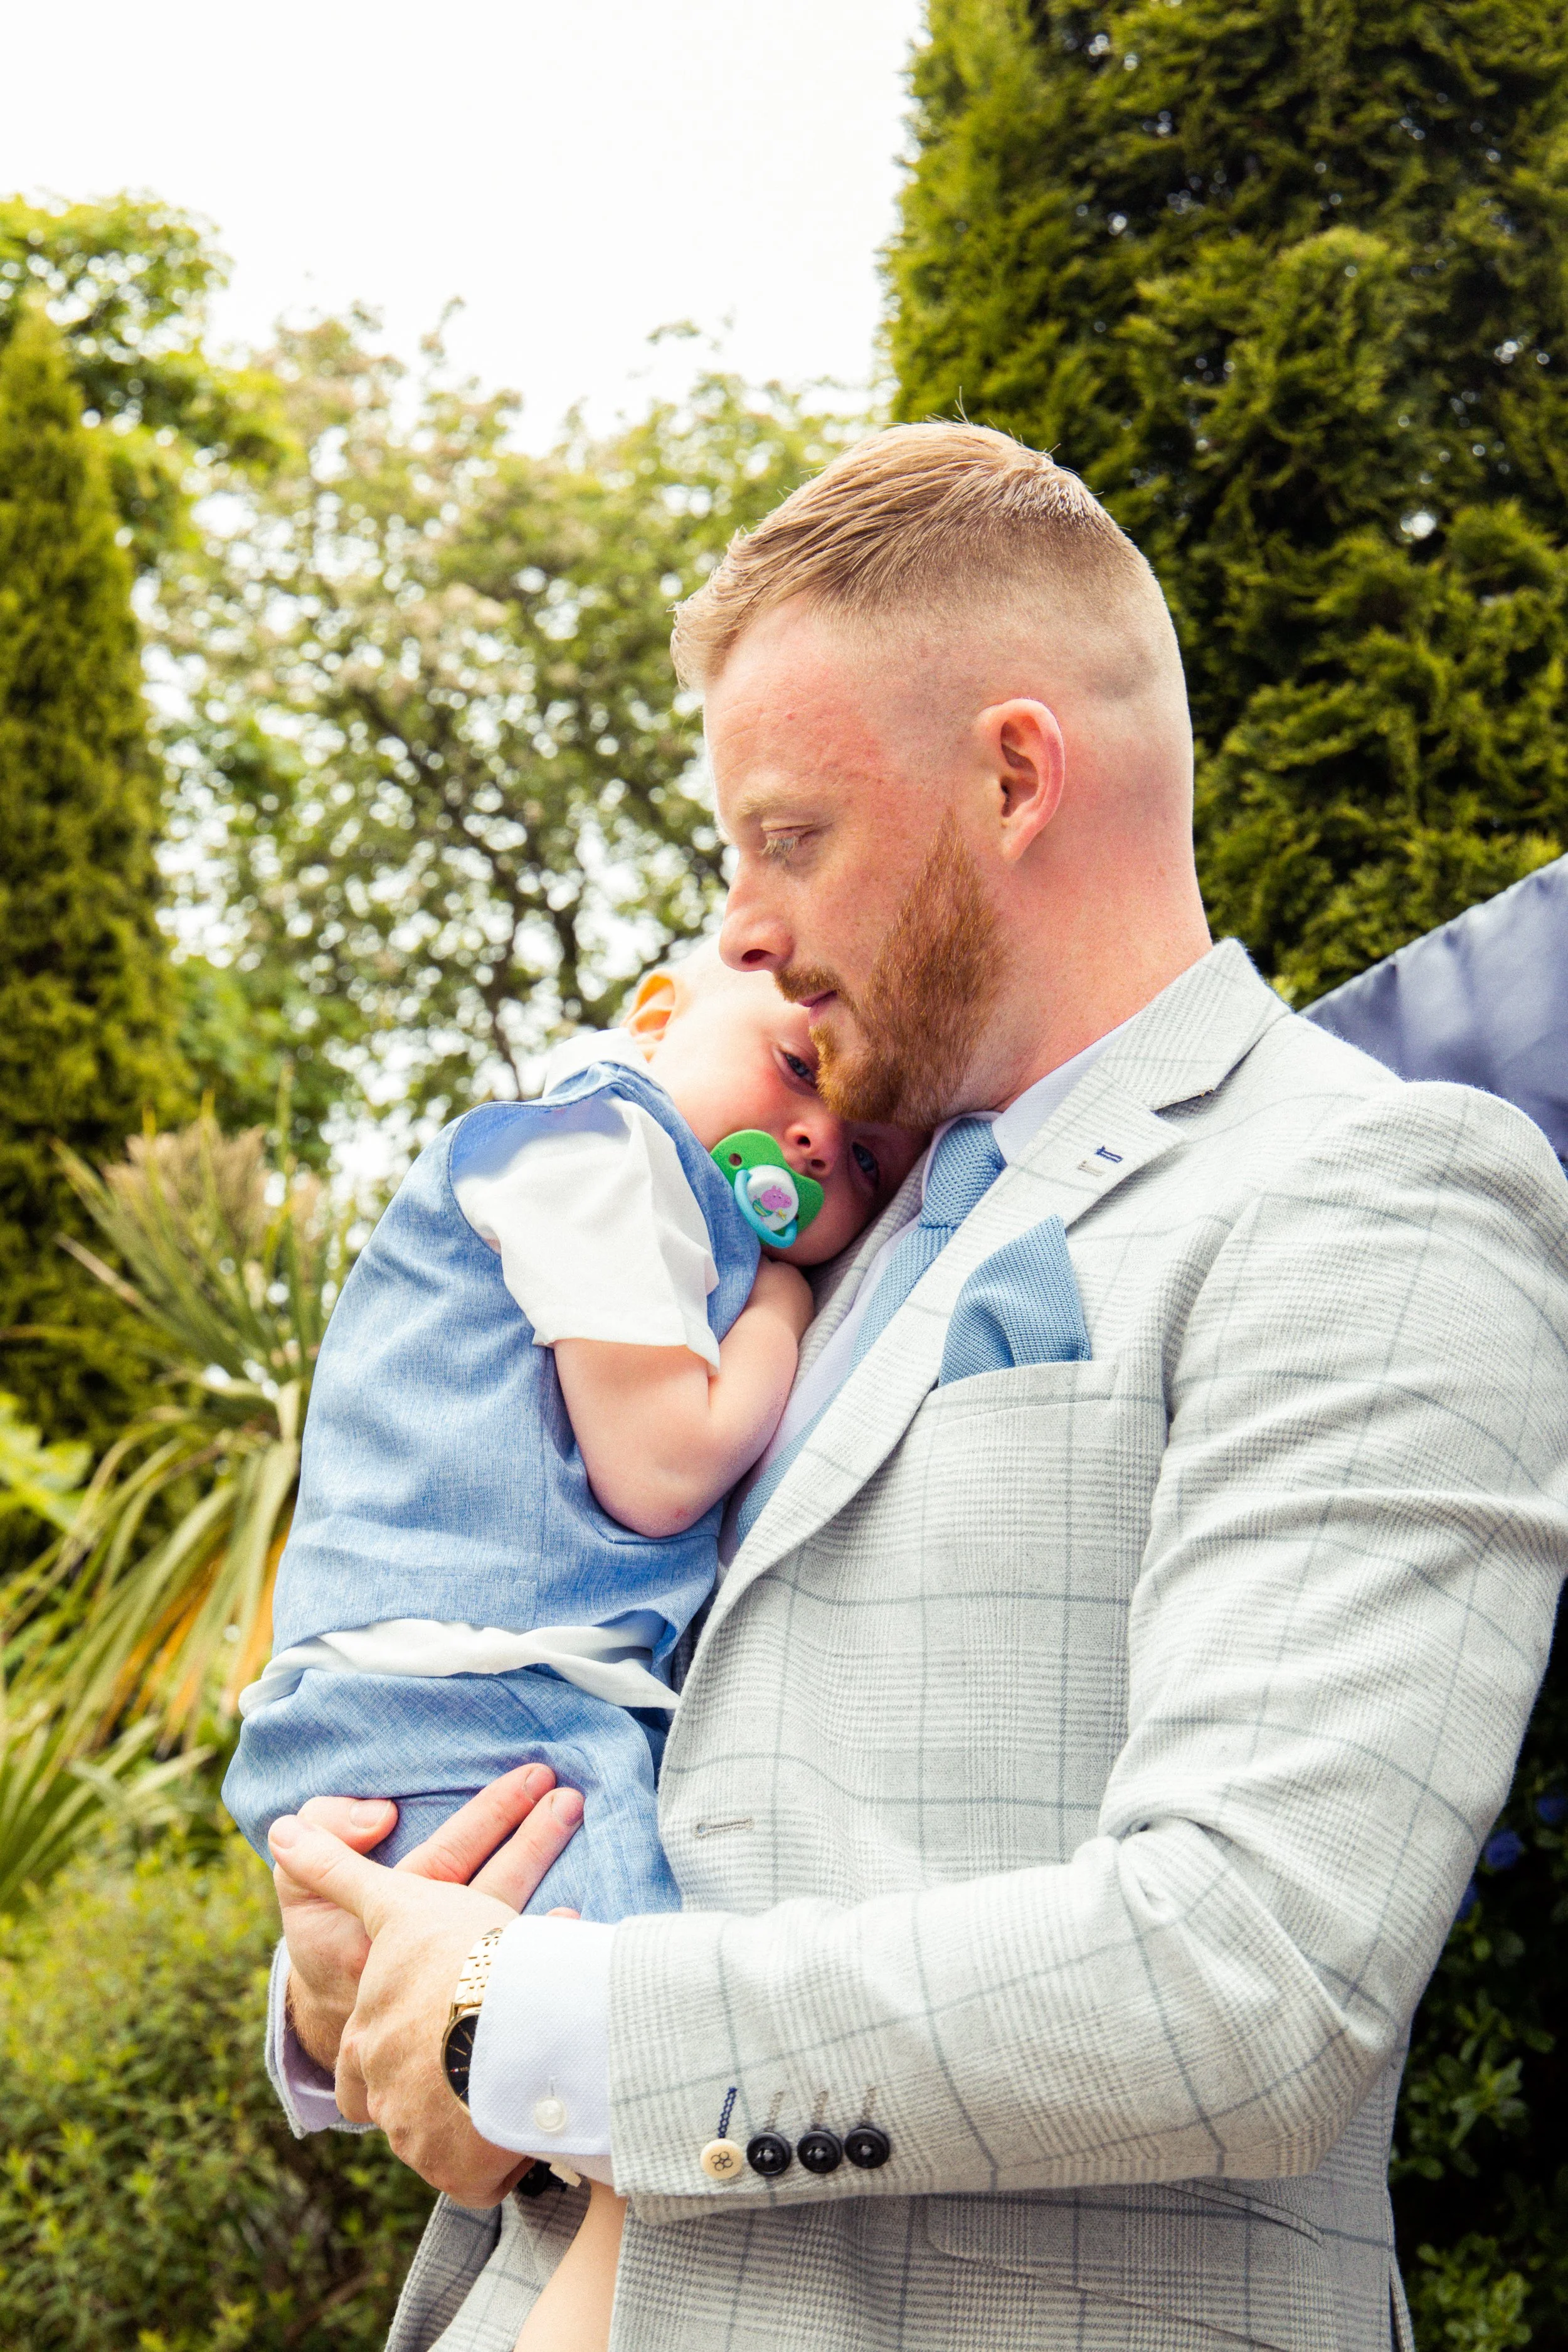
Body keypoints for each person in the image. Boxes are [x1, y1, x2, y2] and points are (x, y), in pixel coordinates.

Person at [265, 422, 1568, 2352]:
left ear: (1016, 775)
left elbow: (1251, 1970)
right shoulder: (794, 1239)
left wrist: (535, 2023)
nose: (740, 930)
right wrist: (356, 1977)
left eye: (789, 835)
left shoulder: (1371, 1186)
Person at [228, 946, 924, 2346]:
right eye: (795, 1072)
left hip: (483, 1709)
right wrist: (780, 1306)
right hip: (471, 1710)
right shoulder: (599, 1150)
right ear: (659, 1014)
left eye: (855, 1162)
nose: (808, 1141)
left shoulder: (655, 1204)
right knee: (664, 2063)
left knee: (642, 2065)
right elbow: (663, 1468)